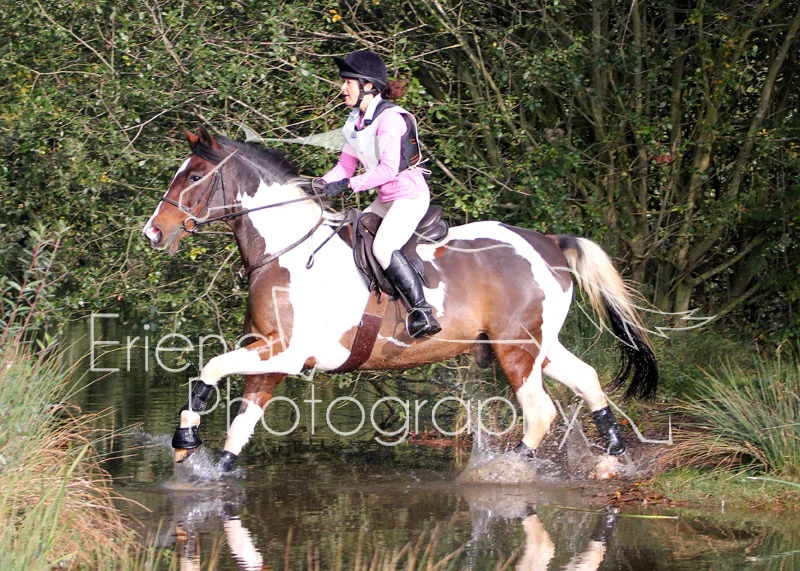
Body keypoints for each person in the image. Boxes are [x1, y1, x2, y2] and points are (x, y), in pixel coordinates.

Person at [314, 49, 441, 338]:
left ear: (368, 85)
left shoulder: (390, 119)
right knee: (349, 236)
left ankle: (421, 311)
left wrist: (348, 185)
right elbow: (344, 166)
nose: (342, 87)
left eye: (348, 82)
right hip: (385, 200)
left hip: (408, 197)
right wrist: (319, 184)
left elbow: (387, 170)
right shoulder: (355, 122)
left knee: (382, 248)